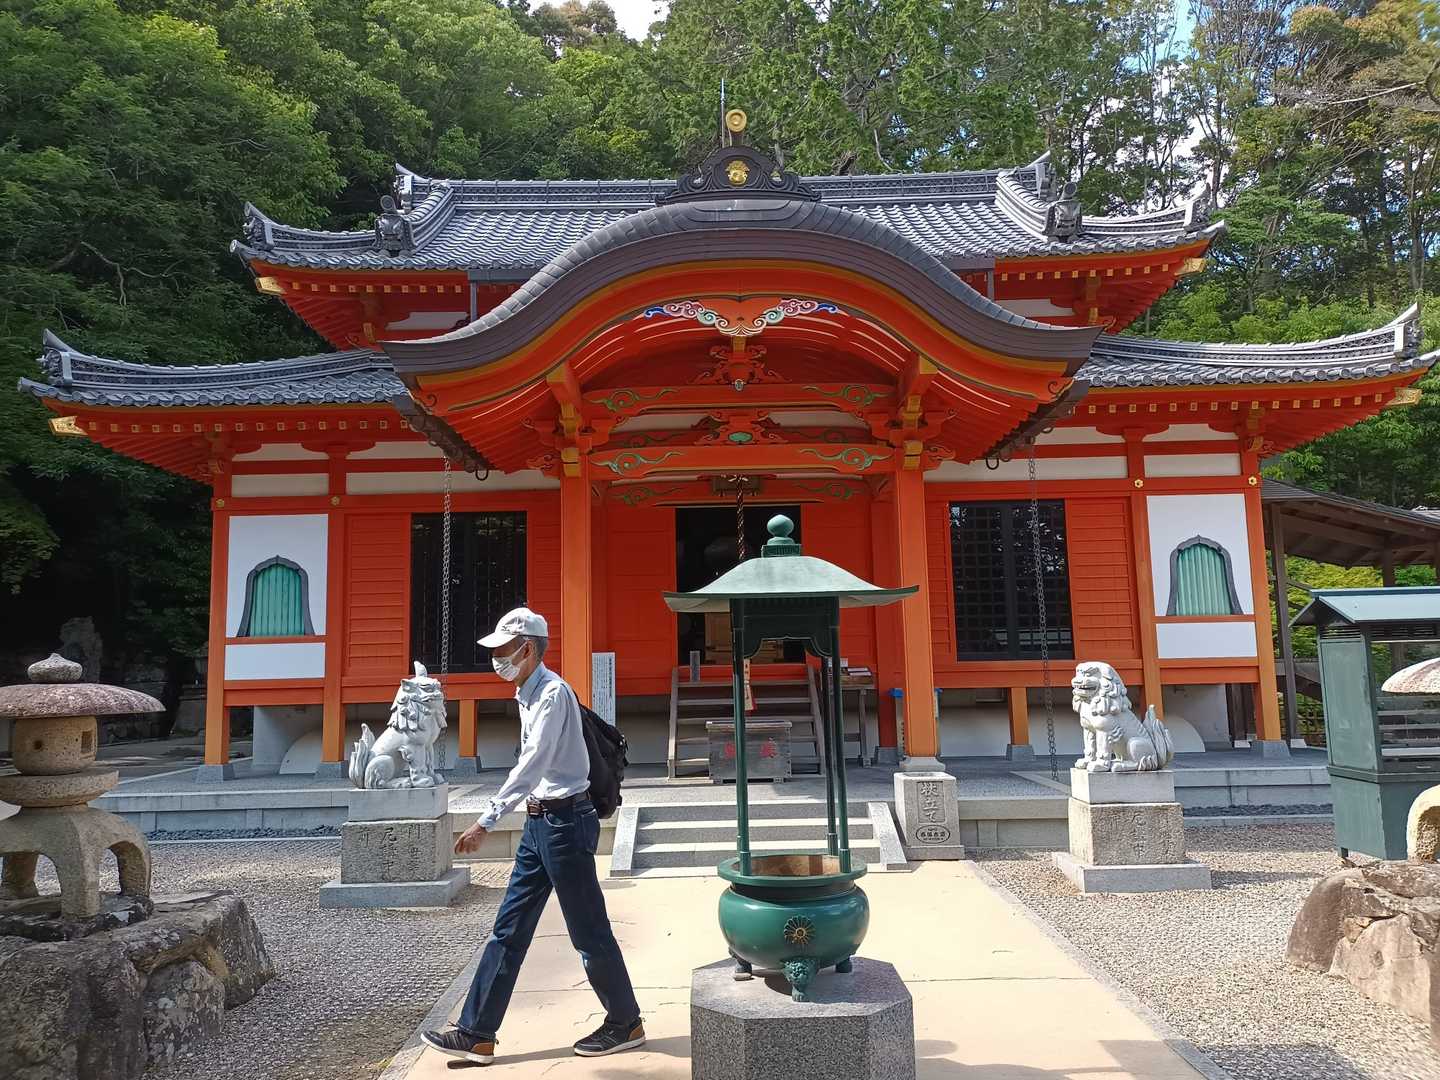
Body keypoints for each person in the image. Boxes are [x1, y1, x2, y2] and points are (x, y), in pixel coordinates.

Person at [421, 607, 644, 1066]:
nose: (496, 659)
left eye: (503, 650)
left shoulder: (552, 694)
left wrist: (487, 819)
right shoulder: (527, 693)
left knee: (588, 931)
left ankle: (626, 1022)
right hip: (539, 823)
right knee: (508, 929)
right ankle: (476, 1033)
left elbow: (533, 762)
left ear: (527, 649)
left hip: (566, 823)